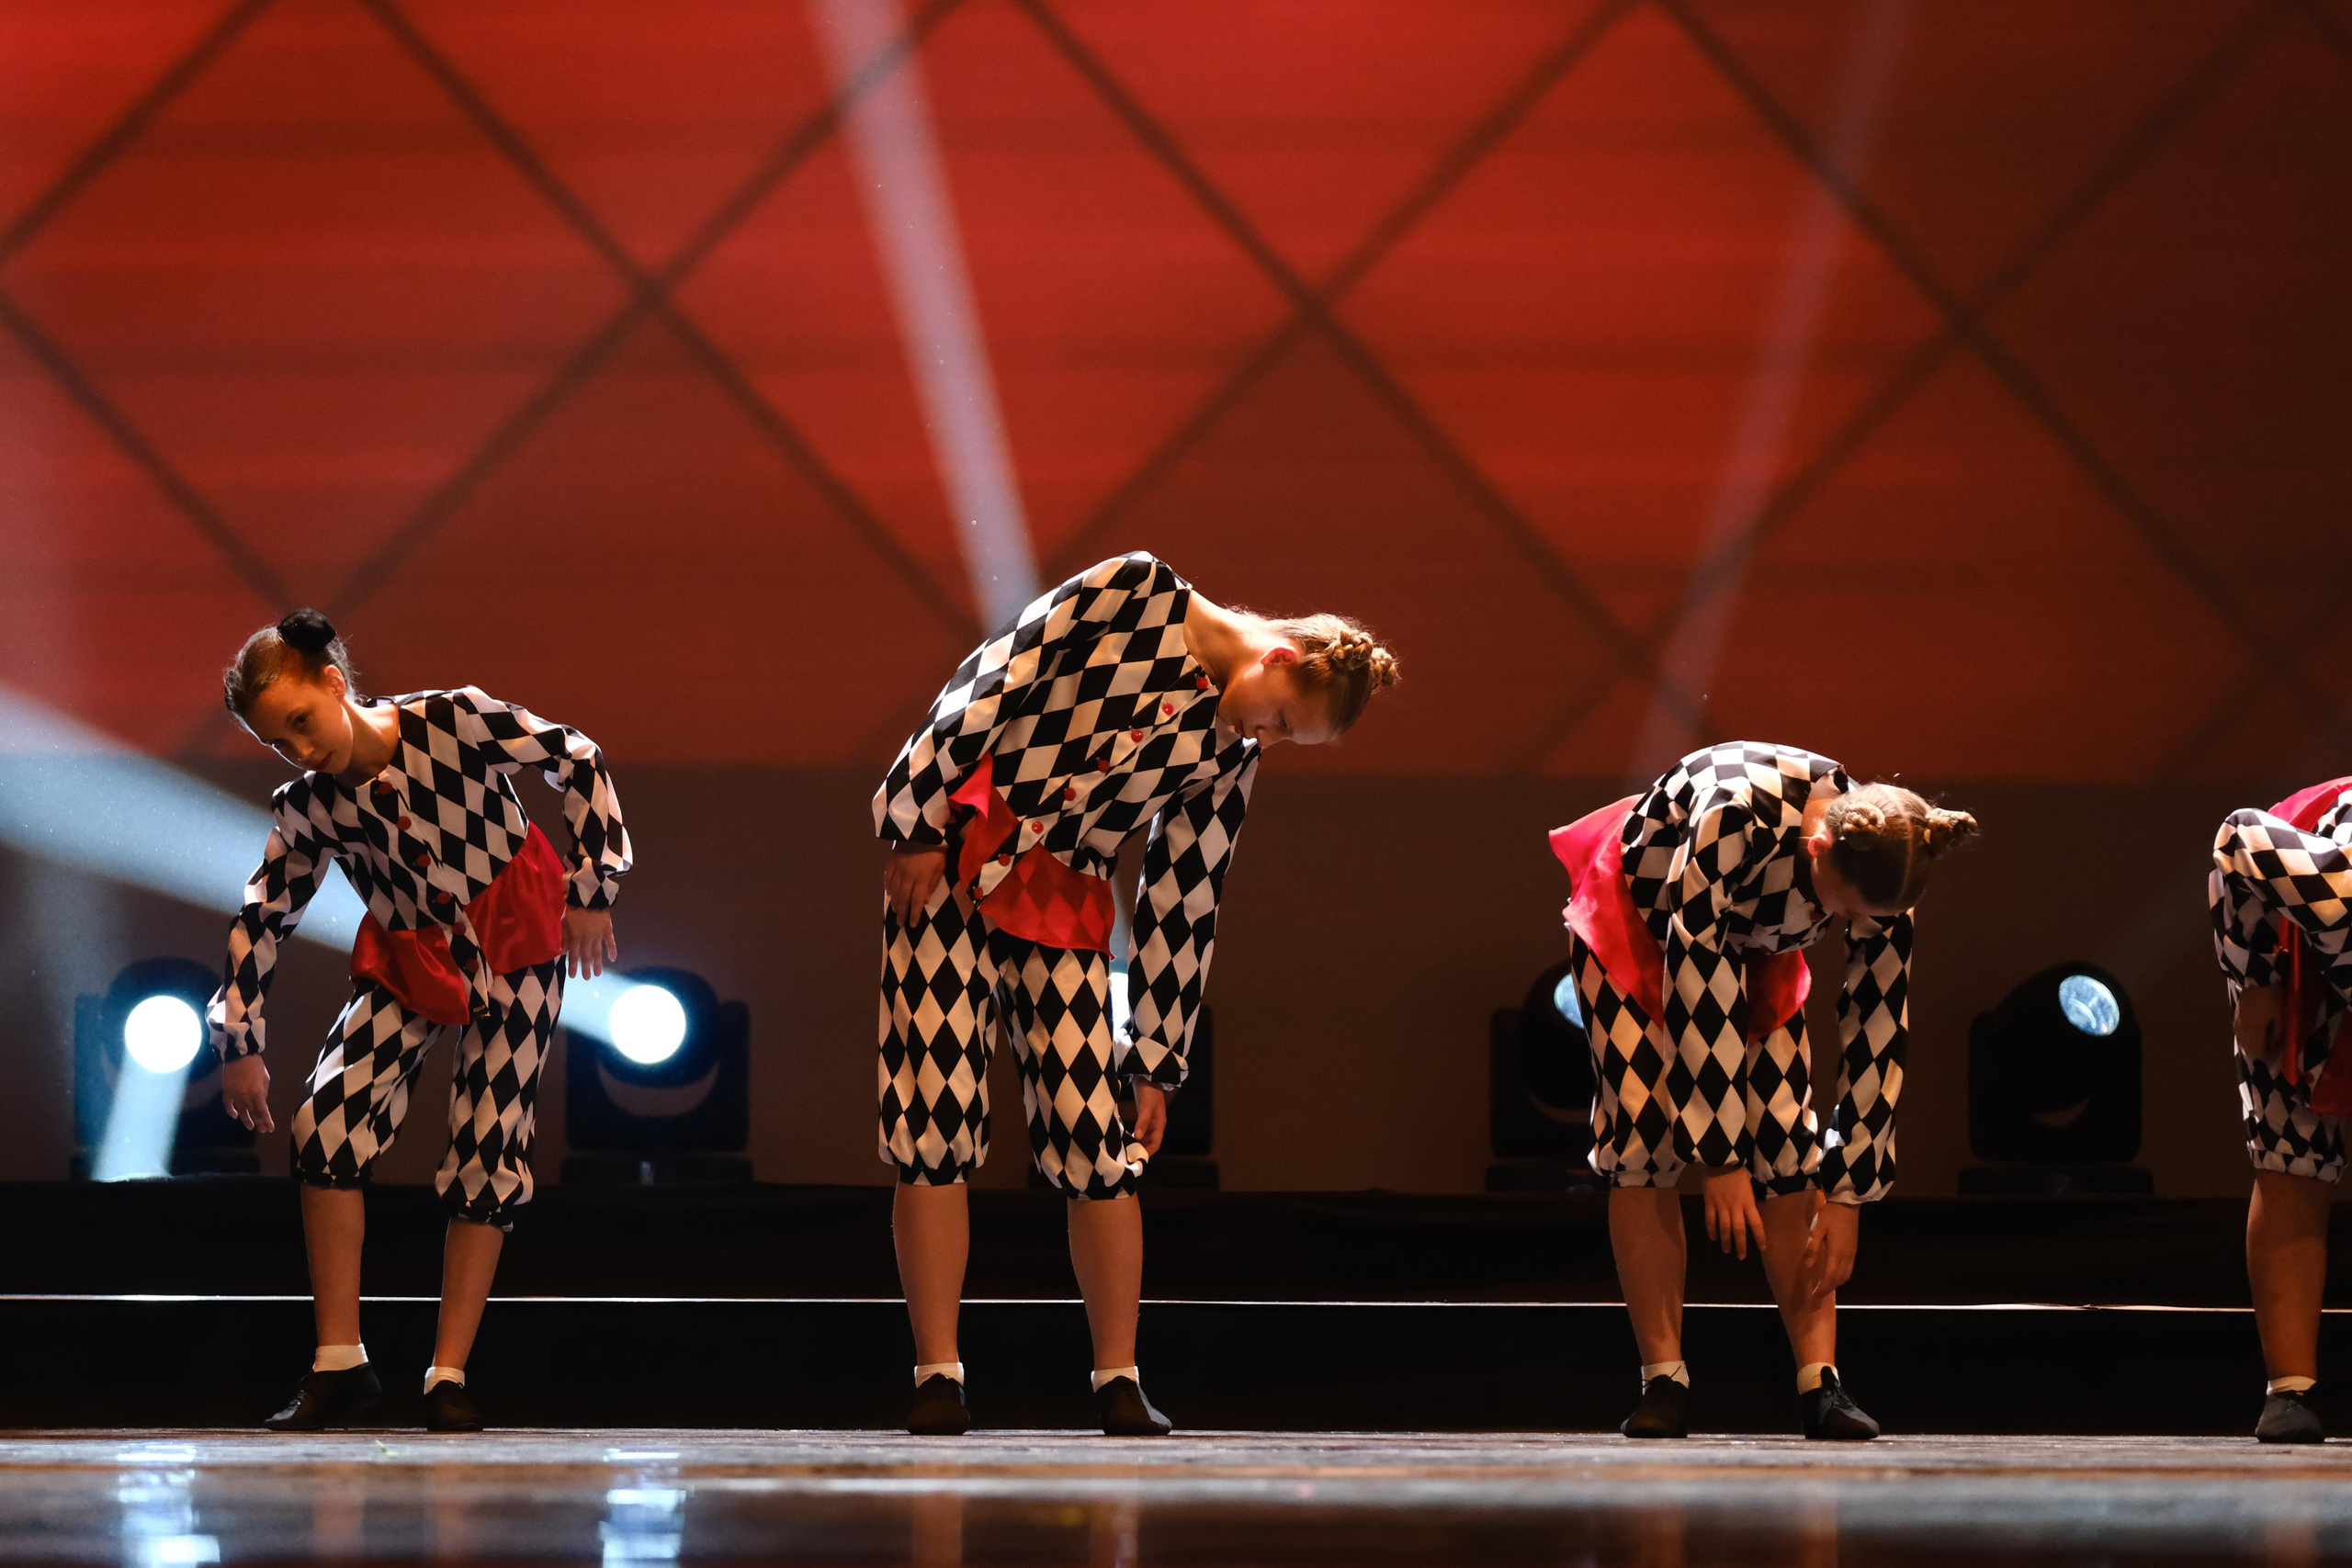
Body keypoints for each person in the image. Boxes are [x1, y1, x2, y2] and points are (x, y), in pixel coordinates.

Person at [873, 552, 1399, 1437]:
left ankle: (1117, 1378)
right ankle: (938, 1374)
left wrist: (1155, 1054)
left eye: (1280, 740)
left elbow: (1187, 889)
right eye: (1277, 722)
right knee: (935, 1122)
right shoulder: (1135, 590)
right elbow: (998, 673)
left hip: (1063, 900)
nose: (1263, 740)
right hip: (960, 858)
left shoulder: (1229, 752)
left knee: (1095, 1145)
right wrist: (916, 815)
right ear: (1273, 658)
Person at [208, 610, 630, 1432]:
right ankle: (341, 1362)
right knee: (323, 1128)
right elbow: (264, 911)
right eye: (278, 742)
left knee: (488, 1145)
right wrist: (239, 1040)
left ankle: (448, 1374)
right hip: (411, 959)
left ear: (334, 683)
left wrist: (590, 888)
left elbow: (576, 755)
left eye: (301, 721)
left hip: (517, 940)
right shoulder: (308, 804)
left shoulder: (451, 719)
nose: (299, 749)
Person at [1548, 743, 1976, 1440]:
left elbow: (1877, 1020)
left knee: (1788, 1142)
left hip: (1754, 943)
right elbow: (1695, 965)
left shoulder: (1890, 854)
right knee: (1643, 1136)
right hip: (1645, 921)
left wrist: (1850, 1194)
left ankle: (1821, 1383)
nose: (1843, 924)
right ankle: (1664, 1379)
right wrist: (1718, 1156)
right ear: (1818, 845)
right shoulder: (1733, 816)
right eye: (1838, 907)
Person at [2210, 773, 2352, 1443]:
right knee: (2295, 1155)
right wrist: (2254, 979)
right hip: (2281, 923)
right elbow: (2239, 834)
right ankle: (2288, 1391)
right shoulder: (2338, 894)